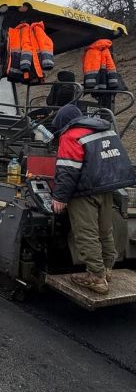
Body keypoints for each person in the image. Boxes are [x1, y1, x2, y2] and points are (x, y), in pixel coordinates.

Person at [51, 103, 135, 294]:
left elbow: (68, 171)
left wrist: (60, 198)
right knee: (105, 230)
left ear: (64, 122)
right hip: (106, 188)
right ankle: (106, 270)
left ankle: (96, 277)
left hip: (84, 192)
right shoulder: (104, 129)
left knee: (86, 233)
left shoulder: (71, 135)